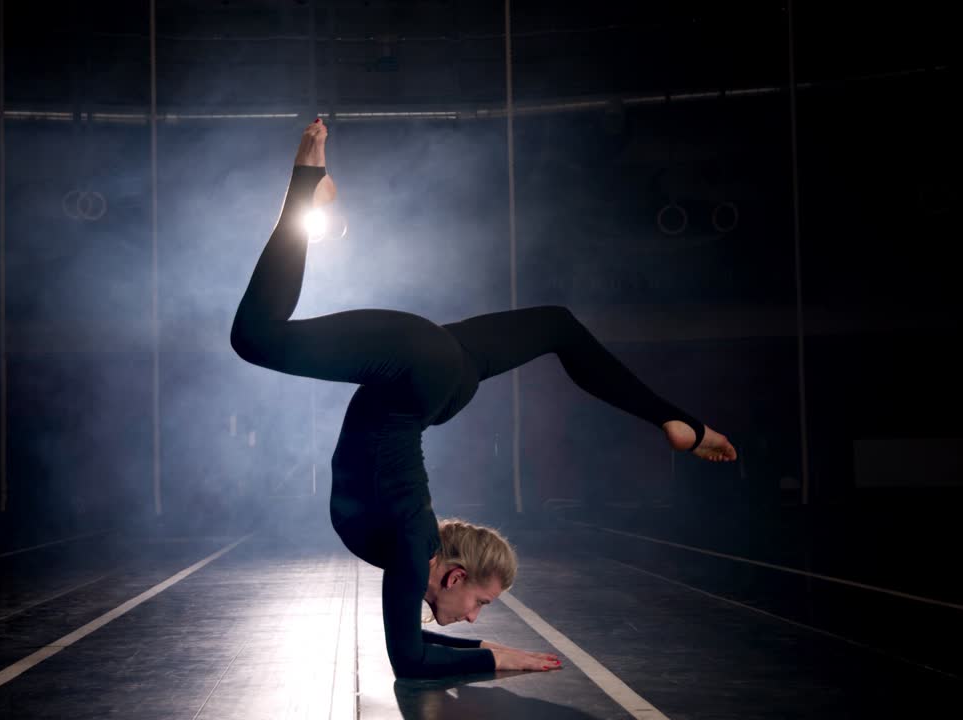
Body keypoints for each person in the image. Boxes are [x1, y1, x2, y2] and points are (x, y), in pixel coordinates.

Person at [230, 119, 738, 679]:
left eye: (481, 610)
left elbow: (410, 655)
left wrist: (487, 656)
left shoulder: (410, 547)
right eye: (482, 604)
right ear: (453, 576)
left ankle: (676, 420)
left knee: (556, 327)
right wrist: (497, 659)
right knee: (254, 338)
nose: (475, 618)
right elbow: (412, 660)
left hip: (443, 384)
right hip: (412, 377)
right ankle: (306, 186)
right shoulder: (409, 544)